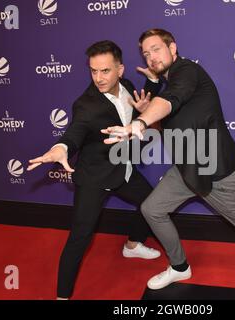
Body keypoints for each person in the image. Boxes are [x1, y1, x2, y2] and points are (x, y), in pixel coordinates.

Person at [102, 29, 235, 290]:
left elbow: (171, 99)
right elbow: (171, 123)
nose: (151, 57)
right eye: (146, 53)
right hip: (187, 168)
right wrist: (151, 116)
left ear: (173, 48)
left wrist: (141, 121)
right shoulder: (169, 85)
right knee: (152, 209)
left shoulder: (187, 71)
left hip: (218, 172)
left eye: (156, 49)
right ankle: (180, 267)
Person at [27, 40, 162, 299]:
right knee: (80, 237)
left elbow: (142, 106)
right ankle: (62, 296)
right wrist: (62, 148)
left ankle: (132, 245)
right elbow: (75, 132)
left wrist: (154, 83)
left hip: (122, 169)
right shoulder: (85, 105)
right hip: (93, 178)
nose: (98, 78)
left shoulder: (128, 86)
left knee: (152, 203)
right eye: (93, 71)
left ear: (120, 70)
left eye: (105, 71)